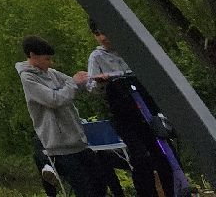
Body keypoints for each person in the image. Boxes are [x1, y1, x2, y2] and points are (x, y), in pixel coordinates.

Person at [85, 19, 184, 197]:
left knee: (164, 156)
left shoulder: (130, 49)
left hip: (147, 111)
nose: (104, 37)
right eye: (98, 34)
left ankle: (174, 191)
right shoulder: (97, 57)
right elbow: (91, 87)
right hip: (124, 115)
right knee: (141, 158)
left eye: (105, 32)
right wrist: (101, 82)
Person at [18, 35, 102, 197]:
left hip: (78, 142)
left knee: (99, 182)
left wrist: (92, 78)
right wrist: (73, 83)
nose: (50, 63)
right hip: (59, 147)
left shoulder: (52, 73)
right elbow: (54, 99)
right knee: (84, 190)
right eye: (47, 59)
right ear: (32, 56)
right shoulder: (28, 78)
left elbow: (74, 84)